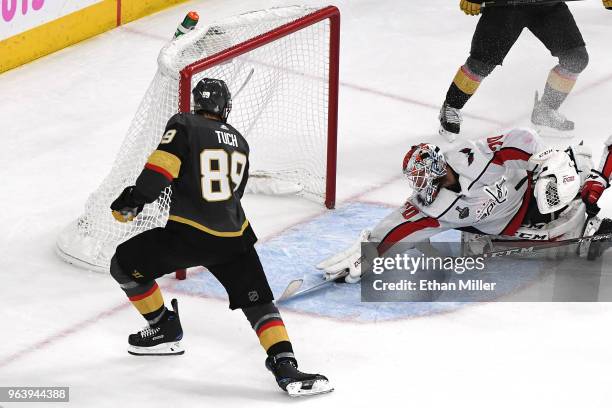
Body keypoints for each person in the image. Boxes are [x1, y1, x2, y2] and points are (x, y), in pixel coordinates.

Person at [108, 78, 332, 397]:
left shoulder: (184, 123)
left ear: (197, 103)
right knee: (258, 302)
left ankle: (162, 326)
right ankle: (285, 365)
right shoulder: (240, 141)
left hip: (189, 234)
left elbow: (162, 169)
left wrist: (134, 198)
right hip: (234, 236)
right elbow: (232, 194)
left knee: (123, 265)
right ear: (224, 107)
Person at [317, 127, 612, 282]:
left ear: (437, 167)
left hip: (530, 191)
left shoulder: (470, 155)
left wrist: (537, 157)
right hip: (505, 223)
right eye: (415, 179)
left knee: (559, 180)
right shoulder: (430, 203)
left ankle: (581, 207)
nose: (419, 185)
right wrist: (370, 251)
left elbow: (519, 138)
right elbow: (398, 226)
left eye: (421, 176)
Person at [438, 0, 610, 141]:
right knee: (481, 63)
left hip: (547, 5)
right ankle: (451, 106)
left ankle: (545, 111)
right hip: (505, 6)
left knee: (576, 58)